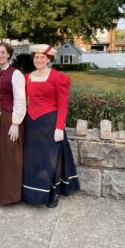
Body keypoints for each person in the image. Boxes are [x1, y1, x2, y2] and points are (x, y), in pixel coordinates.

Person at [22, 44, 80, 208]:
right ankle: (31, 193)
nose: (38, 60)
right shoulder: (27, 77)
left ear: (49, 59)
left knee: (49, 161)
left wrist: (59, 127)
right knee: (32, 159)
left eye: (42, 57)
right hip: (32, 123)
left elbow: (63, 104)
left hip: (49, 123)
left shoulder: (58, 78)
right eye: (36, 57)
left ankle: (52, 194)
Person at [0, 42, 26, 205]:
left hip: (10, 118)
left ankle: (10, 194)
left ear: (9, 54)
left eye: (3, 52)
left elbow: (20, 100)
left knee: (9, 156)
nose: (0, 55)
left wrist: (15, 123)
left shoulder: (16, 74)